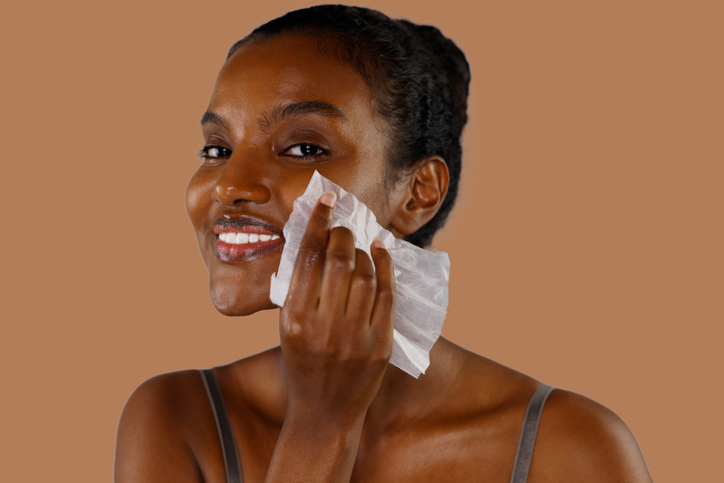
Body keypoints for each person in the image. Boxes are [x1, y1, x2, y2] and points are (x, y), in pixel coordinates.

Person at [115, 5, 652, 482]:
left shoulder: (571, 449)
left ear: (419, 193)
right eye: (216, 150)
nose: (229, 185)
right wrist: (321, 427)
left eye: (303, 147)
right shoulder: (178, 418)